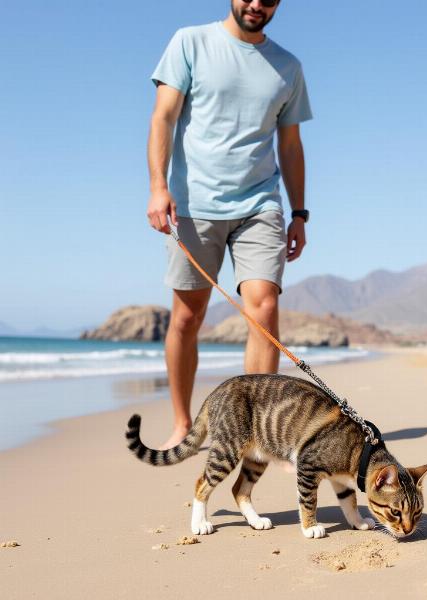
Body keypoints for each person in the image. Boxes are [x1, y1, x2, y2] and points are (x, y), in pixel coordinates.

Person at [146, 0, 312, 449]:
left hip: (260, 203)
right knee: (187, 316)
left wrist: (298, 213)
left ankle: (253, 432)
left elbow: (291, 145)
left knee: (264, 307)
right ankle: (183, 423)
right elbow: (163, 116)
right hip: (194, 204)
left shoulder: (287, 67)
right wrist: (158, 188)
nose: (258, 3)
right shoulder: (190, 42)